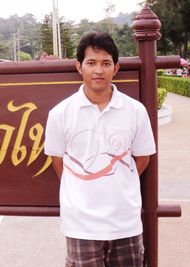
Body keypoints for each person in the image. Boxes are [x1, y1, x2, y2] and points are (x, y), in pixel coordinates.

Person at [44, 31, 156, 267]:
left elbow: (143, 159)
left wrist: (115, 182)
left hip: (125, 222)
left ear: (115, 68)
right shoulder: (60, 114)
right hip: (81, 225)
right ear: (79, 66)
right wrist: (85, 185)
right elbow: (57, 162)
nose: (98, 70)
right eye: (91, 63)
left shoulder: (135, 111)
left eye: (106, 63)